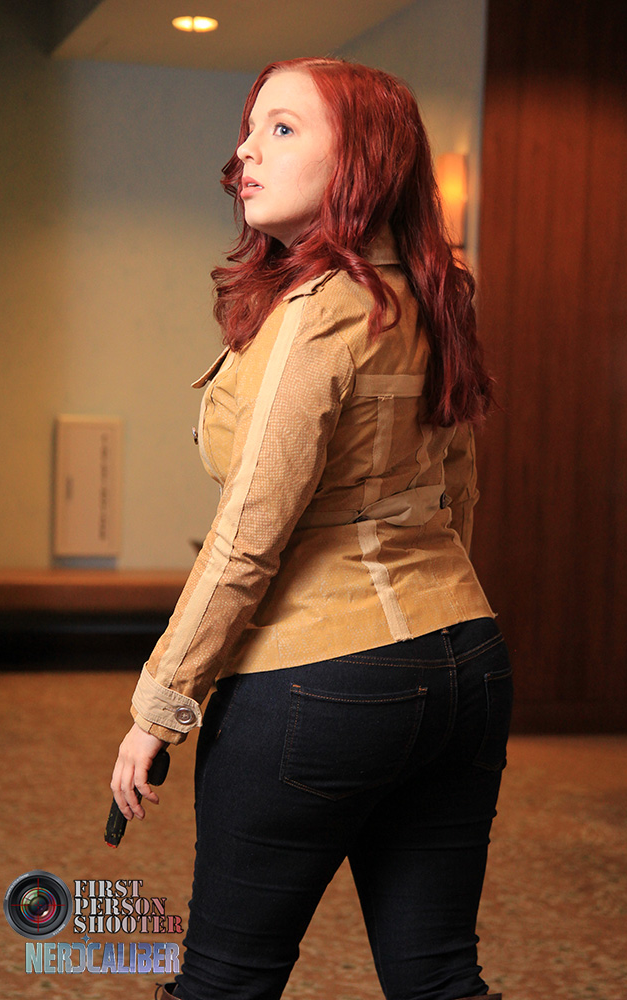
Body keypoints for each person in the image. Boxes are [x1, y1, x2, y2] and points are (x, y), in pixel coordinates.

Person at [111, 57, 512, 1000]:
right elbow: (457, 493)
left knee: (222, 982)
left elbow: (248, 536)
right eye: (250, 127)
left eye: (283, 128)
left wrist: (158, 707)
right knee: (438, 979)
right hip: (465, 658)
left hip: (322, 682)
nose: (245, 152)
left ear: (360, 159)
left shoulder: (319, 308)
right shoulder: (432, 294)